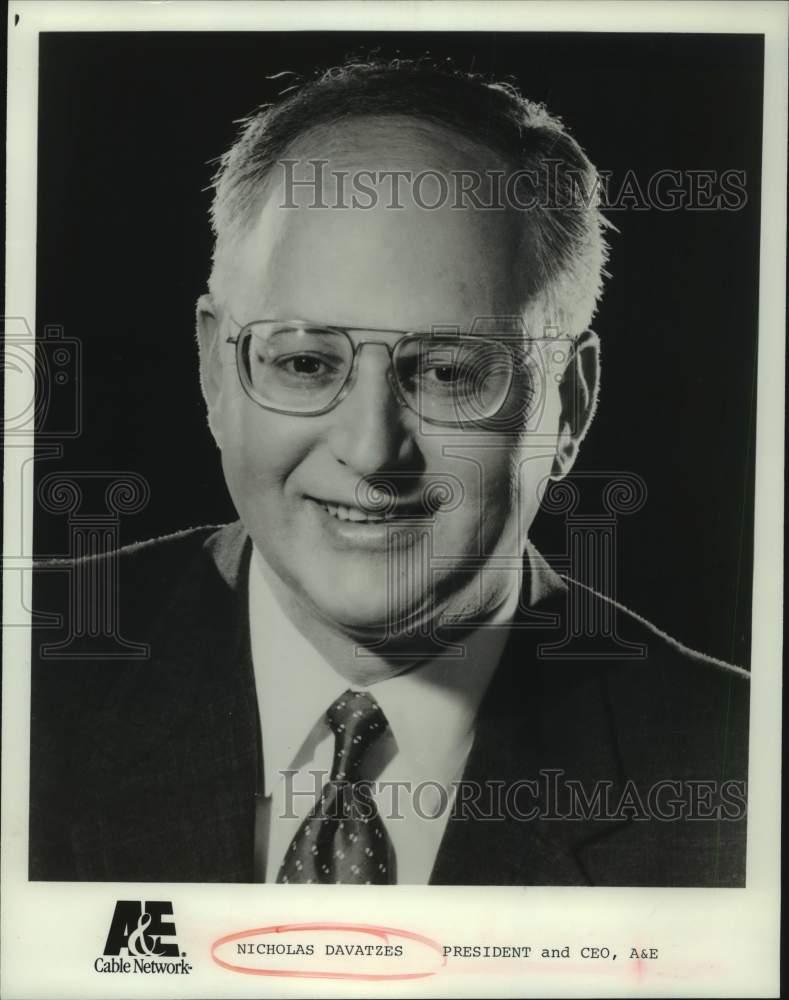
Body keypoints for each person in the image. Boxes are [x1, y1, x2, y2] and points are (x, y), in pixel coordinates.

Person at [30, 58, 748, 886]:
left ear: (571, 404)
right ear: (215, 373)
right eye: (304, 362)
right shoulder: (34, 685)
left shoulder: (735, 776)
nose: (371, 452)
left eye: (447, 372)